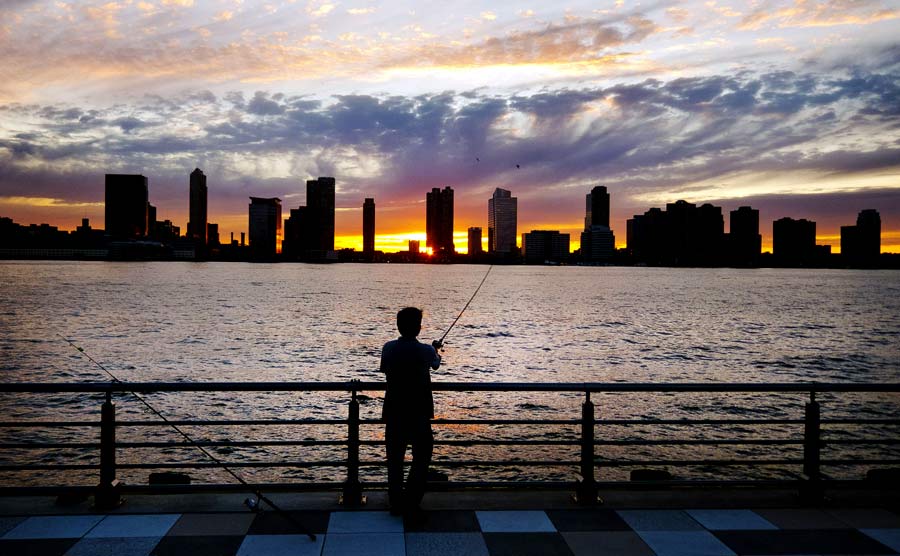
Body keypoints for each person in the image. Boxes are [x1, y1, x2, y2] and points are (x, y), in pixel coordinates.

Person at [380, 307, 442, 515]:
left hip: (394, 410)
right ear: (418, 327)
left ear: (398, 325)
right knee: (422, 457)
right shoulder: (425, 351)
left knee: (395, 459)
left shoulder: (388, 348)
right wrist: (434, 350)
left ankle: (395, 501)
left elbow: (385, 369)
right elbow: (435, 365)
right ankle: (412, 500)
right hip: (419, 412)